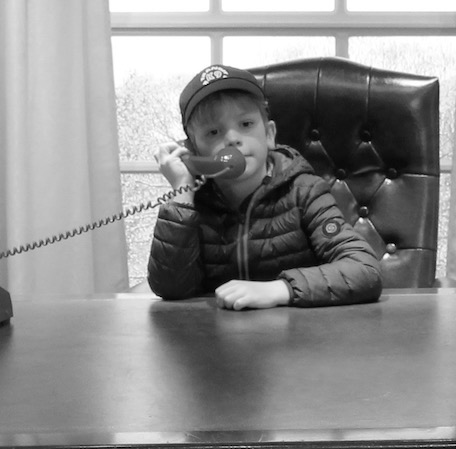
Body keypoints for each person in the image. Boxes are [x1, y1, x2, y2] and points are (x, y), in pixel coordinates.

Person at [146, 65, 383, 309]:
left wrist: (281, 289)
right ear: (193, 150)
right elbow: (170, 288)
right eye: (213, 132)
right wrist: (183, 191)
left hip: (297, 327)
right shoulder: (193, 203)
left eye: (246, 123)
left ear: (269, 135)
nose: (232, 139)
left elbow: (364, 270)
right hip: (218, 329)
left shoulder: (305, 191)